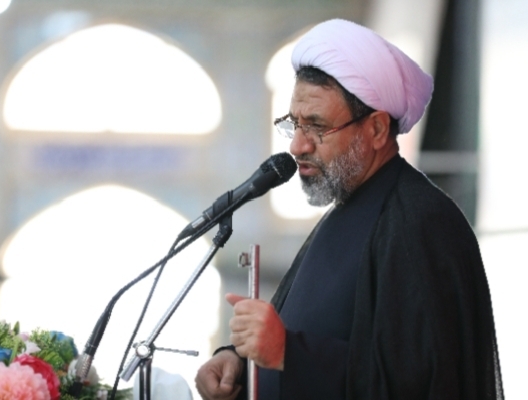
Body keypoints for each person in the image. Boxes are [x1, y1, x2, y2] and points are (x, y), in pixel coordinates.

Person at [195, 18, 504, 400]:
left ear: (376, 129)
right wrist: (239, 363)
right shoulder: (346, 212)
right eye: (294, 124)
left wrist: (288, 352)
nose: (298, 146)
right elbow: (312, 334)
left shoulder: (420, 222)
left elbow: (424, 383)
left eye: (317, 126)